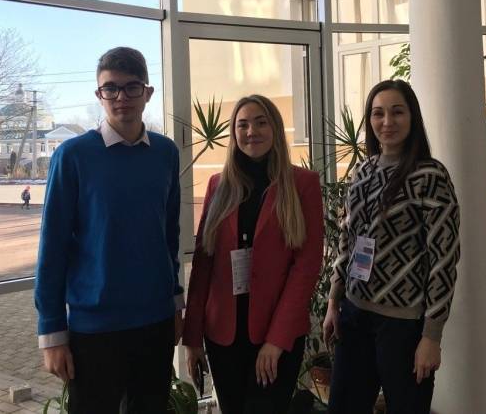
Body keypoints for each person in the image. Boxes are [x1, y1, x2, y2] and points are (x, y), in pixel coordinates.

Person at [34, 47, 184, 414]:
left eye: (132, 87)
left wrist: (176, 303)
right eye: (111, 88)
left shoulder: (165, 153)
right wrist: (51, 332)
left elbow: (169, 236)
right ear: (99, 95)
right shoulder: (73, 156)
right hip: (95, 329)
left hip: (155, 322)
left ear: (147, 93)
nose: (121, 97)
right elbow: (52, 248)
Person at [323, 79, 460, 414]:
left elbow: (444, 259)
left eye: (397, 112)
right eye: (378, 113)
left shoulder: (430, 175)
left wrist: (431, 336)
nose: (387, 122)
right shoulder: (363, 170)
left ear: (412, 117)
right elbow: (347, 239)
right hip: (355, 314)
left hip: (403, 325)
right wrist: (334, 301)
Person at [183, 94, 324, 414]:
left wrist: (276, 340)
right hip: (223, 336)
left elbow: (306, 267)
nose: (251, 131)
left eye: (261, 122)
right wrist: (192, 338)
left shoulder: (303, 184)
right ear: (233, 133)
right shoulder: (218, 185)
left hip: (276, 335)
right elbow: (203, 265)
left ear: (275, 128)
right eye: (242, 124)